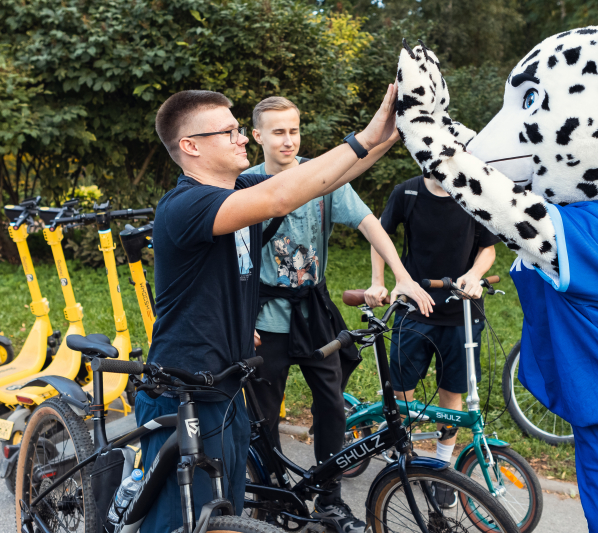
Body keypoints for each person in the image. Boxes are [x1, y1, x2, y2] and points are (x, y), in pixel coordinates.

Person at [139, 86, 398, 533]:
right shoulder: (187, 205)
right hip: (186, 392)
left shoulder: (237, 188)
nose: (242, 138)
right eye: (230, 130)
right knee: (185, 525)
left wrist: (387, 137)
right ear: (191, 146)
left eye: (239, 129)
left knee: (226, 517)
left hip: (227, 384)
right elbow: (280, 200)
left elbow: (323, 179)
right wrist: (364, 135)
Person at [246, 96, 434, 533]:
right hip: (263, 319)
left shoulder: (321, 177)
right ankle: (274, 498)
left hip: (314, 313)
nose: (288, 140)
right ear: (257, 136)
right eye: (277, 132)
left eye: (294, 130)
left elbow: (370, 222)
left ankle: (329, 500)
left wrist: (402, 275)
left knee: (331, 405)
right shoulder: (243, 184)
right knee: (264, 415)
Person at [364, 173, 499, 507]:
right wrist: (380, 281)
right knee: (402, 389)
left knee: (452, 393)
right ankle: (403, 456)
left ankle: (442, 468)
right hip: (413, 306)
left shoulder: (473, 193)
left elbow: (488, 249)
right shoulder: (406, 191)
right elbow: (378, 234)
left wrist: (473, 275)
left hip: (461, 311)